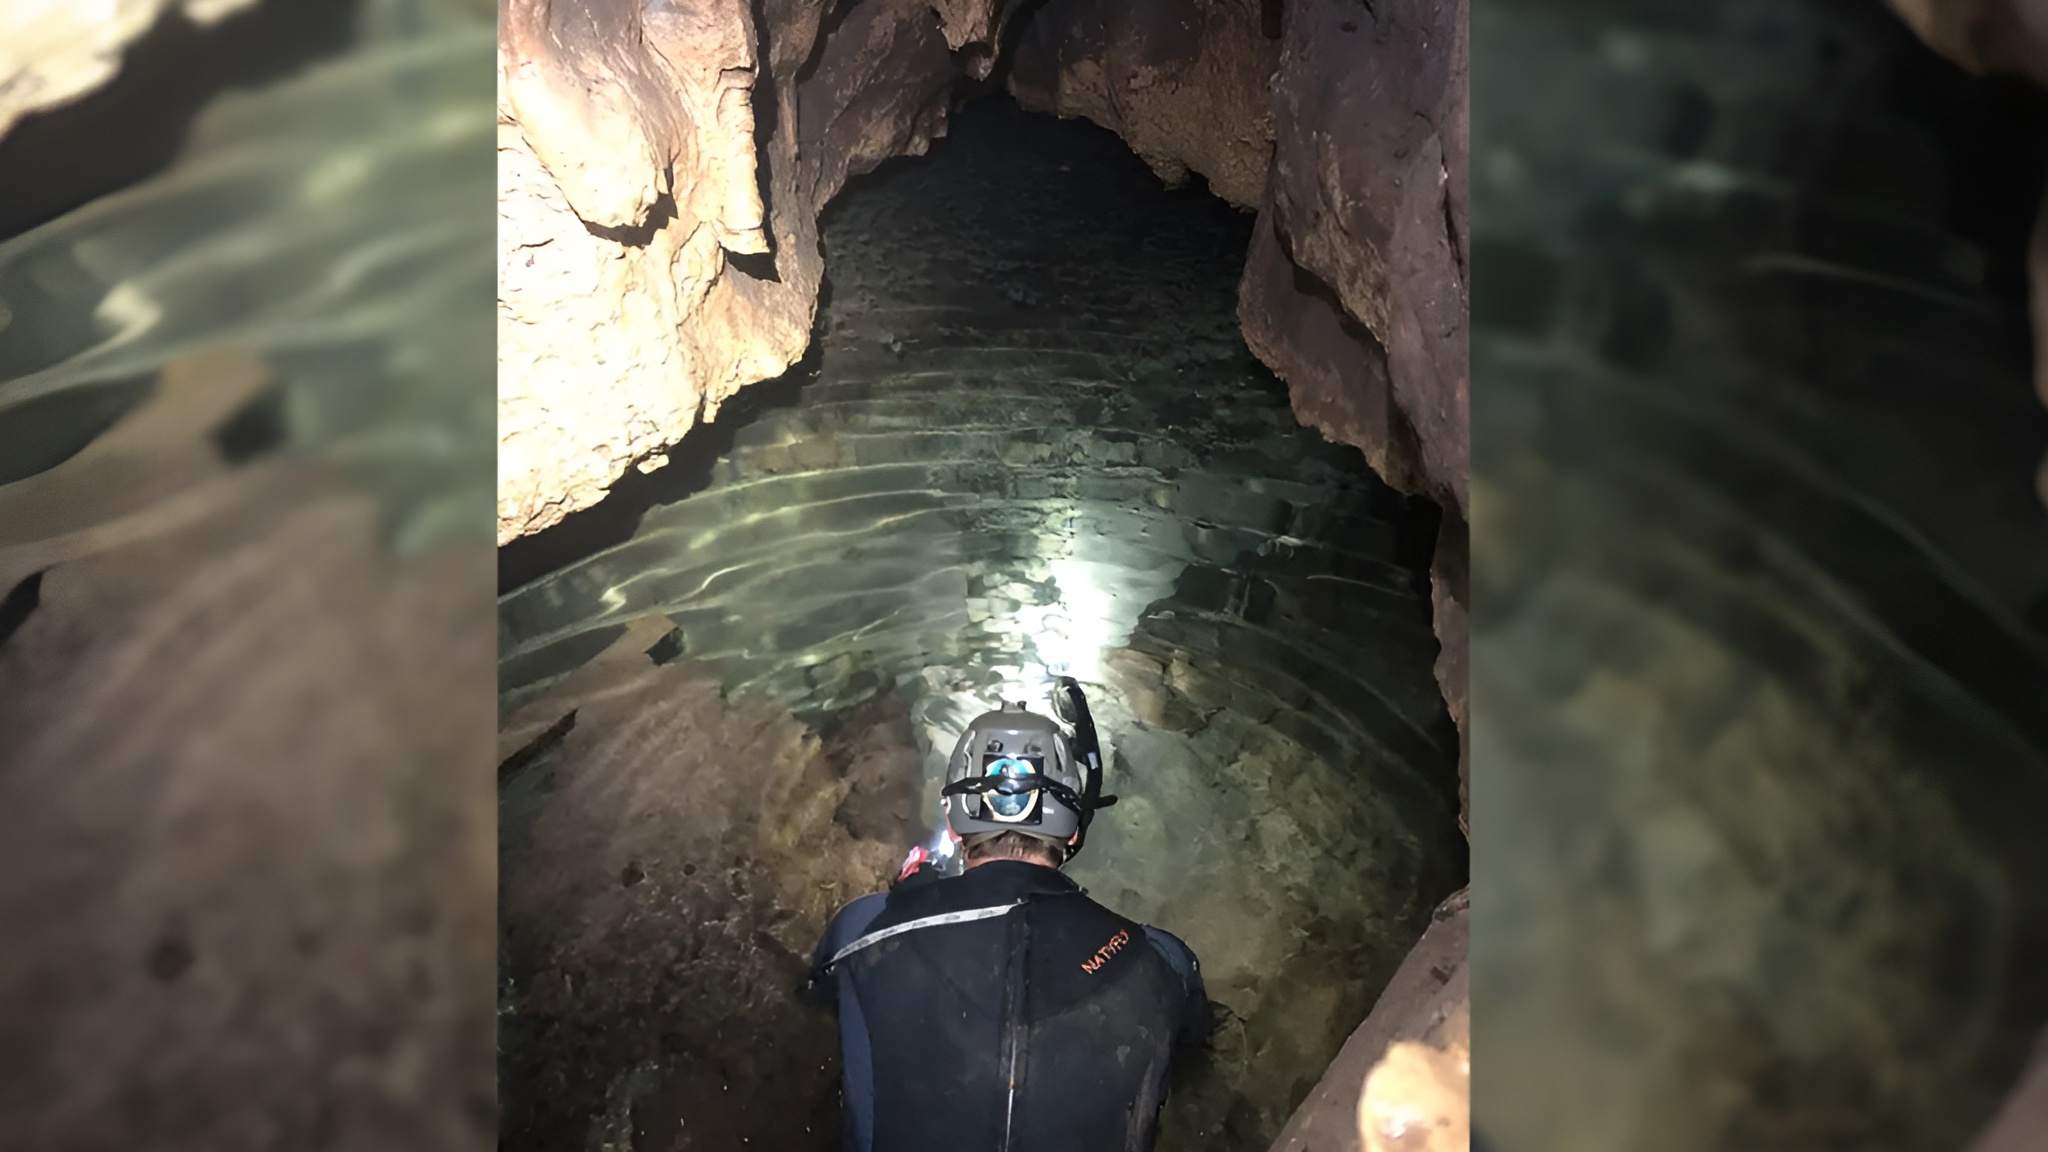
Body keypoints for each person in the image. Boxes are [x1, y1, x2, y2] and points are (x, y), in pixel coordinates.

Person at [805, 685, 1211, 1152]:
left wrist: (910, 903)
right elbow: (1195, 1047)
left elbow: (820, 999)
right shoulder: (1164, 961)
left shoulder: (862, 932)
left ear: (953, 822)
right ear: (1074, 829)